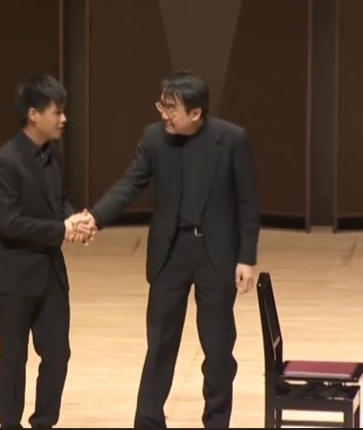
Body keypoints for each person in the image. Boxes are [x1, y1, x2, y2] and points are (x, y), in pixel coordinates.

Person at [82, 70, 260, 428]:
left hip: (215, 255)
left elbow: (248, 203)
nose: (164, 114)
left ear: (196, 113)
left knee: (218, 347)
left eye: (171, 109)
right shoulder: (154, 138)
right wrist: (95, 218)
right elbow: (130, 184)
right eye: (161, 106)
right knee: (160, 343)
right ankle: (148, 421)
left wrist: (246, 258)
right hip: (170, 252)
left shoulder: (231, 139)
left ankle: (216, 421)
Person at [0, 74, 94, 429]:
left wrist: (74, 220)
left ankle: (44, 423)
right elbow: (10, 222)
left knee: (58, 353)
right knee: (14, 357)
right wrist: (61, 229)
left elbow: (57, 202)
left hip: (50, 273)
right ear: (33, 114)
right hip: (13, 275)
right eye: (57, 111)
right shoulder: (4, 161)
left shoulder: (52, 154)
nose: (63, 119)